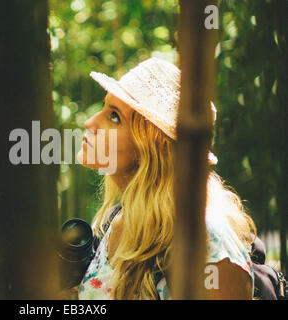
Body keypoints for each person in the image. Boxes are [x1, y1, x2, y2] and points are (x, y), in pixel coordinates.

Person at [75, 57, 256, 300]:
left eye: (114, 116)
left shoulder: (206, 238)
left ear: (151, 147)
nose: (90, 123)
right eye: (104, 108)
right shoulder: (115, 221)